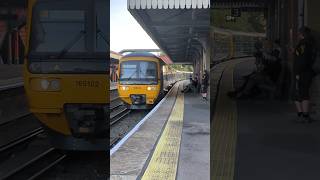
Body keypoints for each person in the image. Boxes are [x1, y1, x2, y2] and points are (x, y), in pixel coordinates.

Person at [293, 27, 317, 123]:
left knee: (302, 92)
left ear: (301, 34)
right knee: (301, 92)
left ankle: (304, 115)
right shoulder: (312, 44)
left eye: (299, 33)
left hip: (302, 72)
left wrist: (298, 73)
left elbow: (302, 59)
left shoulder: (303, 44)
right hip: (308, 71)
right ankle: (303, 114)